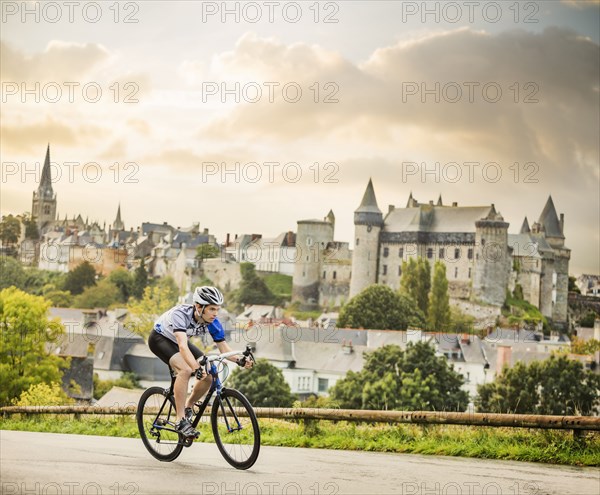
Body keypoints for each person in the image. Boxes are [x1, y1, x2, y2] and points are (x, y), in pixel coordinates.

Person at [148, 285, 252, 438]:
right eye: (211, 309)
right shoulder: (180, 314)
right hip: (160, 339)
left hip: (179, 341)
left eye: (217, 309)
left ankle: (189, 405)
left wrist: (240, 360)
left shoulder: (213, 322)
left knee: (209, 375)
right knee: (185, 370)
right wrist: (196, 367)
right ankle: (180, 419)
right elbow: (183, 347)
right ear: (198, 306)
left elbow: (223, 348)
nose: (215, 314)